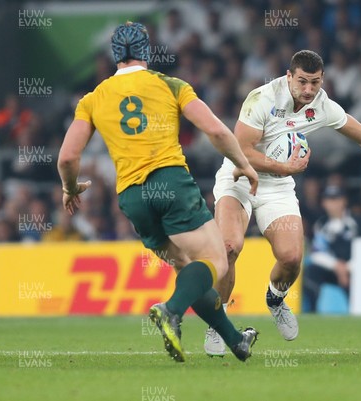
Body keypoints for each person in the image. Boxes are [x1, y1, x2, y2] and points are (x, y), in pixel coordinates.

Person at [204, 49, 361, 356]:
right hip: (239, 177)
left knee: (292, 257)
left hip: (277, 187)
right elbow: (241, 150)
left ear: (322, 80)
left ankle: (276, 299)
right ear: (288, 77)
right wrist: (286, 167)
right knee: (229, 247)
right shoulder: (262, 98)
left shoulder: (321, 105)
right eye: (302, 82)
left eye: (314, 83)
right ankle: (217, 321)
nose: (307, 90)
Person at [57, 21, 260, 363]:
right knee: (215, 261)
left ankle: (235, 340)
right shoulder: (170, 84)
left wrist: (70, 187)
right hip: (170, 183)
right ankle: (171, 311)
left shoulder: (92, 99)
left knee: (186, 270)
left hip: (133, 200)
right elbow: (215, 130)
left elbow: (67, 156)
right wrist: (243, 162)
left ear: (114, 55)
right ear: (147, 51)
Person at [302, 185, 358, 312]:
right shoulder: (321, 224)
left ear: (344, 201)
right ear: (324, 203)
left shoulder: (357, 222)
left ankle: (359, 313)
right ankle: (312, 313)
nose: (333, 204)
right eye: (329, 200)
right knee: (311, 271)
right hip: (332, 269)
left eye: (337, 199)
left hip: (355, 270)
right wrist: (337, 266)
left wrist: (347, 268)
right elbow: (316, 253)